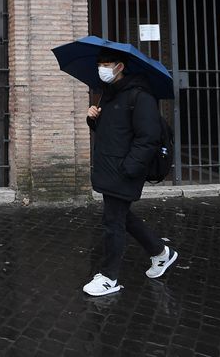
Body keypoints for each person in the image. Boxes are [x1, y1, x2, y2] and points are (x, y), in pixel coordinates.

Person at [83, 49, 178, 296]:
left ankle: (109, 277)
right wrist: (93, 119)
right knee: (122, 217)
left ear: (120, 66)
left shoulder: (140, 96)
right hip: (108, 167)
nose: (102, 69)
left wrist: (130, 168)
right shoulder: (107, 94)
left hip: (125, 170)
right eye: (100, 64)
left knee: (112, 222)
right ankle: (161, 253)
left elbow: (149, 137)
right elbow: (112, 131)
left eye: (107, 64)